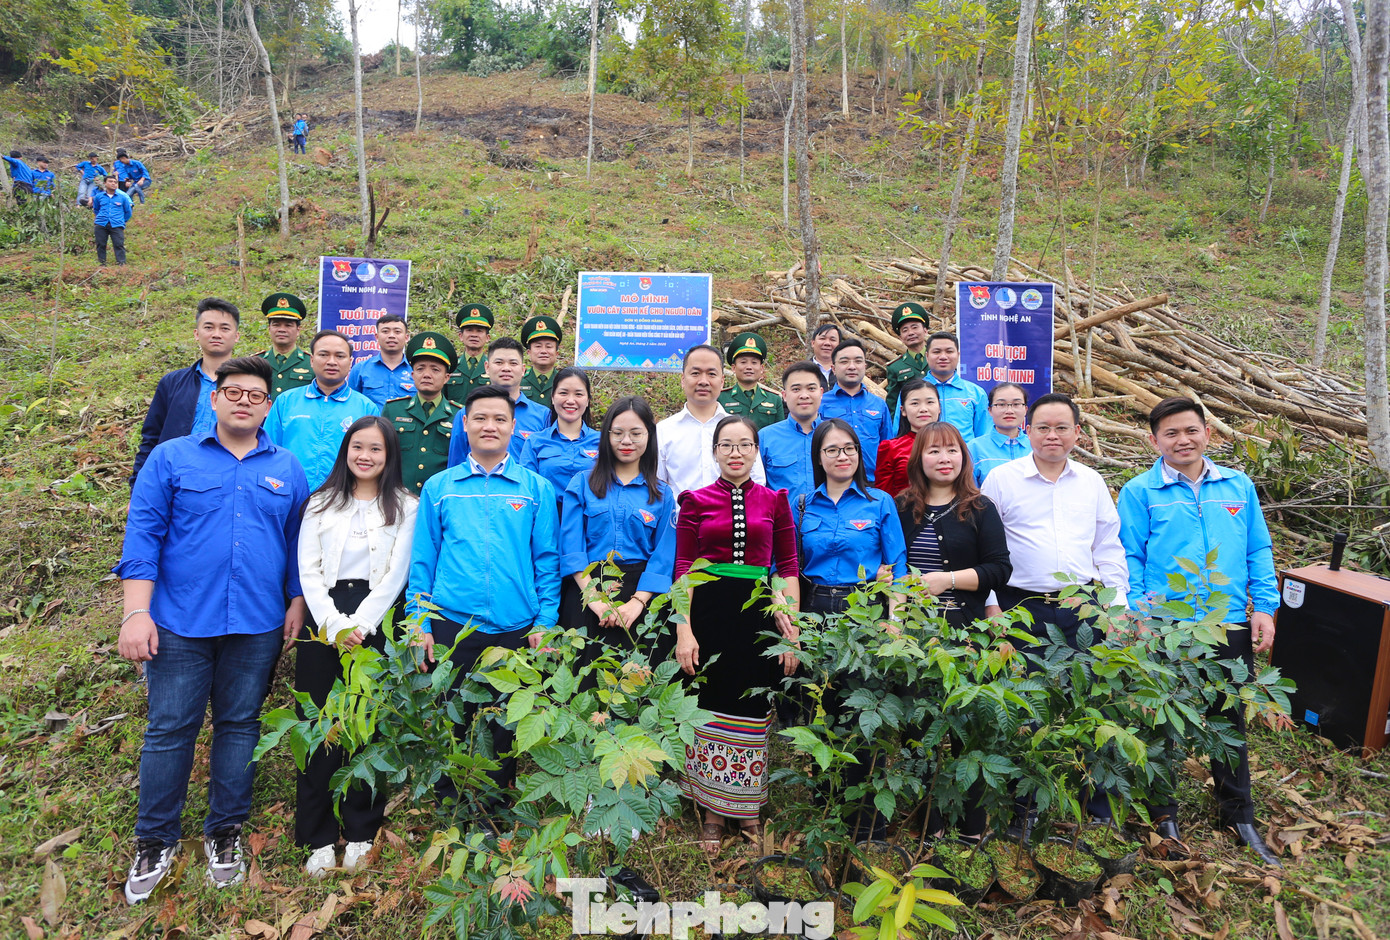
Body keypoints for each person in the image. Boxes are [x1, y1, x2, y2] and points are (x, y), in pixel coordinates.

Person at [115, 356, 309, 904]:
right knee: (170, 728)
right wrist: (136, 612)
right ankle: (155, 840)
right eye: (234, 392)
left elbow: (297, 541)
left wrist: (296, 600)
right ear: (216, 397)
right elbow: (144, 533)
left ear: (269, 405)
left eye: (256, 394)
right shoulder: (172, 458)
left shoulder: (288, 467)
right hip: (179, 621)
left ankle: (224, 833)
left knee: (240, 726)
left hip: (257, 622)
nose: (244, 401)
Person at [1117, 396, 1281, 865]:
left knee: (1228, 719)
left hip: (1226, 621)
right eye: (1170, 433)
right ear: (1154, 441)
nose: (1182, 440)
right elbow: (1130, 555)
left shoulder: (1237, 485)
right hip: (1166, 626)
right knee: (1162, 721)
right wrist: (1140, 613)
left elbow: (1257, 548)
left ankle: (1238, 814)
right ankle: (1163, 813)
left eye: (1190, 430)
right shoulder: (1139, 491)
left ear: (1207, 433)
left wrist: (1264, 608)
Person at [408, 385, 560, 801]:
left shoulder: (535, 489)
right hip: (453, 626)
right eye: (480, 418)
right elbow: (423, 561)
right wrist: (419, 622)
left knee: (504, 726)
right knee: (451, 721)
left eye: (499, 419)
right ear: (465, 424)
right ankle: (449, 810)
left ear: (514, 426)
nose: (489, 426)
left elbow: (547, 562)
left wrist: (546, 621)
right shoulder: (440, 488)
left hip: (516, 628)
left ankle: (495, 807)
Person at [671, 416, 801, 854]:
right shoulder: (694, 501)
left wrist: (791, 630)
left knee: (753, 703)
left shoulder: (775, 501)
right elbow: (683, 569)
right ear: (714, 452)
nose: (735, 453)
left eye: (745, 444)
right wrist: (684, 631)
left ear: (756, 451)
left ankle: (746, 807)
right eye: (726, 445)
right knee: (711, 702)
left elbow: (787, 566)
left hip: (758, 613)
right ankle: (710, 809)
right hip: (708, 612)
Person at [295, 415, 417, 877]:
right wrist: (331, 624)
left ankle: (362, 829)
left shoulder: (407, 505)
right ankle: (319, 834)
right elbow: (308, 568)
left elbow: (396, 574)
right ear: (346, 450)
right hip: (323, 616)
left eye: (376, 450)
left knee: (369, 725)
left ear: (390, 458)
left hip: (378, 617)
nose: (365, 456)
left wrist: (362, 624)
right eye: (358, 447)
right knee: (318, 724)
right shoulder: (321, 502)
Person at [894, 422, 1012, 838]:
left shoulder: (980, 507)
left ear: (963, 458)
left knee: (969, 731)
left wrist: (948, 579)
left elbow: (1000, 568)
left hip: (966, 634)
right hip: (914, 637)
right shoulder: (902, 506)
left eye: (952, 451)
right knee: (919, 729)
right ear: (919, 459)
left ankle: (971, 827)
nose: (944, 459)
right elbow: (891, 564)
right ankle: (930, 822)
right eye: (934, 452)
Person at [981, 392, 1128, 647]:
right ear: (1027, 430)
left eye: (1062, 428)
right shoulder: (1001, 478)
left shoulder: (1091, 481)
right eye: (1043, 428)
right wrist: (991, 604)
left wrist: (1118, 608)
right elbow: (982, 547)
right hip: (1018, 607)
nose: (1052, 435)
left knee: (1085, 682)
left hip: (1083, 608)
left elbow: (1107, 547)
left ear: (1077, 432)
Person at [559, 396, 677, 640]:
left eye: (636, 433)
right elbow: (572, 548)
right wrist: (595, 601)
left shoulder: (662, 494)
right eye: (618, 433)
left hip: (641, 595)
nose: (626, 441)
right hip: (587, 591)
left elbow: (664, 556)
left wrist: (637, 603)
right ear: (606, 435)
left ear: (649, 436)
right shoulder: (581, 484)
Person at [131, 298, 241, 484]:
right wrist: (138, 487)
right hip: (174, 476)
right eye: (208, 327)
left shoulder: (248, 386)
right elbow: (150, 439)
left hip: (230, 477)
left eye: (224, 328)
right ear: (196, 334)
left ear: (236, 336)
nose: (216, 334)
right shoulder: (172, 383)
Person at [264, 330, 380, 489]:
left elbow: (374, 459)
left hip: (343, 497)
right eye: (324, 355)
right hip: (290, 493)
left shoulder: (366, 407)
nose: (331, 362)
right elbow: (269, 450)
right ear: (312, 360)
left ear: (350, 362)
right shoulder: (286, 401)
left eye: (340, 356)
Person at [657, 345, 766, 499]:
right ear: (683, 379)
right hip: (681, 522)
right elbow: (658, 485)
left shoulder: (740, 429)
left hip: (731, 520)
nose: (703, 381)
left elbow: (757, 482)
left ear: (722, 381)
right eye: (695, 373)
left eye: (711, 374)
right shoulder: (663, 431)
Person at [447, 338, 550, 465]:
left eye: (513, 363)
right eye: (499, 362)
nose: (506, 368)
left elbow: (546, 464)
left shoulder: (543, 415)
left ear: (523, 370)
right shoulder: (467, 413)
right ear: (487, 367)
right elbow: (456, 466)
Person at [383, 332, 461, 494]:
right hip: (398, 498)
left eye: (435, 369)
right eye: (420, 369)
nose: (427, 374)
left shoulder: (459, 415)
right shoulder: (393, 410)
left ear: (447, 377)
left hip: (440, 498)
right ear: (412, 375)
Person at [818, 339, 894, 484]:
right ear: (833, 368)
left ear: (865, 366)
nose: (852, 367)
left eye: (858, 361)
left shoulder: (878, 404)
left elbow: (887, 448)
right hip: (833, 482)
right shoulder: (821, 403)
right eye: (844, 361)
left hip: (873, 483)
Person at [520, 366, 600, 501]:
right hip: (549, 517)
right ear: (552, 397)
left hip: (590, 519)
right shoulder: (535, 442)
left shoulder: (602, 442)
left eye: (578, 394)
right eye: (563, 393)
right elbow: (526, 490)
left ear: (587, 400)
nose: (570, 400)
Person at [759, 361, 824, 507]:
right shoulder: (765, 438)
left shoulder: (836, 435)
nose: (804, 395)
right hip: (782, 525)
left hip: (829, 524)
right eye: (796, 389)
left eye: (811, 388)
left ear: (821, 393)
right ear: (784, 395)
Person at [873, 378, 941, 497]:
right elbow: (884, 496)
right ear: (903, 410)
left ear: (939, 407)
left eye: (930, 402)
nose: (923, 409)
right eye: (915, 403)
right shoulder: (890, 448)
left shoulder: (952, 444)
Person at [923, 332, 991, 441]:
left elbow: (984, 437)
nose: (943, 357)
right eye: (936, 352)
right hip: (923, 456)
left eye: (949, 351)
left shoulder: (976, 393)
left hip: (965, 457)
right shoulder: (913, 392)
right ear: (927, 356)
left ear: (958, 355)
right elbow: (900, 432)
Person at [718, 332, 786, 430]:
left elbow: (780, 433)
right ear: (733, 368)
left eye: (754, 362)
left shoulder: (775, 399)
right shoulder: (721, 398)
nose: (749, 367)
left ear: (761, 368)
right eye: (743, 362)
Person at [968, 382, 1031, 484]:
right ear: (990, 410)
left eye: (1016, 404)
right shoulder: (974, 448)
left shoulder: (1035, 446)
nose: (1009, 411)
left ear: (1025, 409)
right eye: (1001, 404)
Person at [348, 314, 415, 407]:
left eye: (397, 332)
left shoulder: (416, 370)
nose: (391, 336)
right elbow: (351, 404)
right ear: (377, 337)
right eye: (385, 331)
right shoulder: (360, 369)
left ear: (406, 337)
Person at [257, 293, 315, 400]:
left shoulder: (311, 363)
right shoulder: (255, 362)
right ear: (269, 328)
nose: (282, 329)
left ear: (298, 330)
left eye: (288, 325)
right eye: (276, 324)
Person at [884, 302, 931, 418]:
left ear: (925, 330)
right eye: (905, 330)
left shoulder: (938, 358)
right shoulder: (895, 367)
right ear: (900, 337)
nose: (910, 333)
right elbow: (893, 404)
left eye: (915, 327)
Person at [444, 303, 494, 405]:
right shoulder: (450, 367)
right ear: (461, 336)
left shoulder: (494, 367)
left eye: (479, 331)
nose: (474, 335)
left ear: (487, 338)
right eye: (469, 330)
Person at [519, 315, 564, 407]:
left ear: (556, 353)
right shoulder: (518, 382)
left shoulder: (564, 381)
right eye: (538, 346)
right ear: (529, 352)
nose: (543, 351)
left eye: (549, 346)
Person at [90, 174, 134, 265]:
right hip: (101, 223)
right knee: (100, 244)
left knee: (119, 244)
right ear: (105, 183)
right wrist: (100, 217)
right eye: (110, 181)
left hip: (117, 224)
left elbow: (128, 212)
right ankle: (102, 263)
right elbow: (96, 209)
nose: (113, 184)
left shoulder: (123, 197)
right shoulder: (99, 196)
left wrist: (122, 220)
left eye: (115, 182)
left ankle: (121, 263)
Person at [809, 323, 841, 387]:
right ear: (813, 343)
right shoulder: (802, 370)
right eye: (822, 338)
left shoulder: (845, 370)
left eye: (832, 340)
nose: (827, 343)